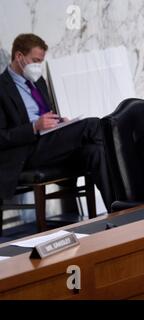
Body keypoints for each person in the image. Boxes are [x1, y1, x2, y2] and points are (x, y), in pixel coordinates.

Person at [0, 33, 113, 212]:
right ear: (19, 56)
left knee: (95, 151)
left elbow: (47, 114)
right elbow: (2, 137)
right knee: (93, 124)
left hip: (48, 142)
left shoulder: (38, 81)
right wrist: (34, 127)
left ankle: (117, 211)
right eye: (35, 60)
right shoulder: (2, 87)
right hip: (25, 151)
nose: (38, 66)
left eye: (41, 62)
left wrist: (60, 122)